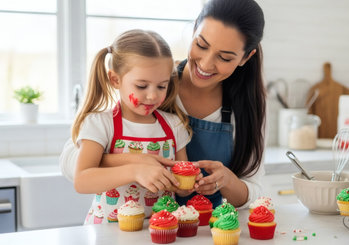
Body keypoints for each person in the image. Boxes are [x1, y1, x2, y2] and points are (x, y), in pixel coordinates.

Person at [60, 0, 266, 209]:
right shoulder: (150, 85)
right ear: (195, 28)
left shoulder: (246, 107)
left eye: (224, 57)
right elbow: (71, 162)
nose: (205, 64)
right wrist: (136, 163)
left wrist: (228, 181)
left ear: (245, 57)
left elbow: (254, 190)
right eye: (201, 45)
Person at [71, 29, 193, 224]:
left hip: (160, 231)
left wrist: (190, 183)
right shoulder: (101, 124)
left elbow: (182, 185)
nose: (153, 96)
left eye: (162, 86)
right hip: (107, 232)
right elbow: (82, 180)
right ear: (115, 80)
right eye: (142, 86)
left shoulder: (174, 125)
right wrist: (135, 170)